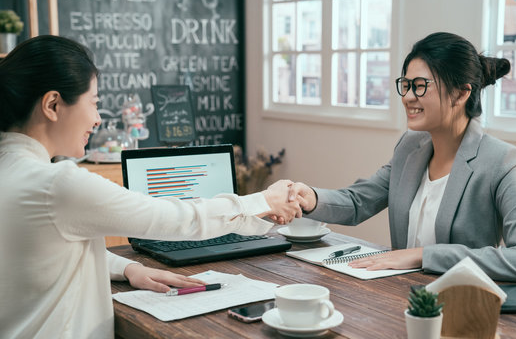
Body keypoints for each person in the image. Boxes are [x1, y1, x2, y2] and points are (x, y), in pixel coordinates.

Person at [0, 35, 299, 339]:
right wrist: (264, 200)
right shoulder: (57, 185)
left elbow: (45, 255)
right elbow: (176, 217)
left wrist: (128, 269)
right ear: (52, 105)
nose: (98, 119)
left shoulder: (11, 171)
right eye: (94, 103)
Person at [286, 32, 516, 285]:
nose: (407, 97)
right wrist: (311, 198)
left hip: (461, 307)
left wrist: (422, 256)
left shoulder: (504, 162)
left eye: (420, 86)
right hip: (401, 296)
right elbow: (358, 201)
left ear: (461, 93)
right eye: (406, 85)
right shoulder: (410, 146)